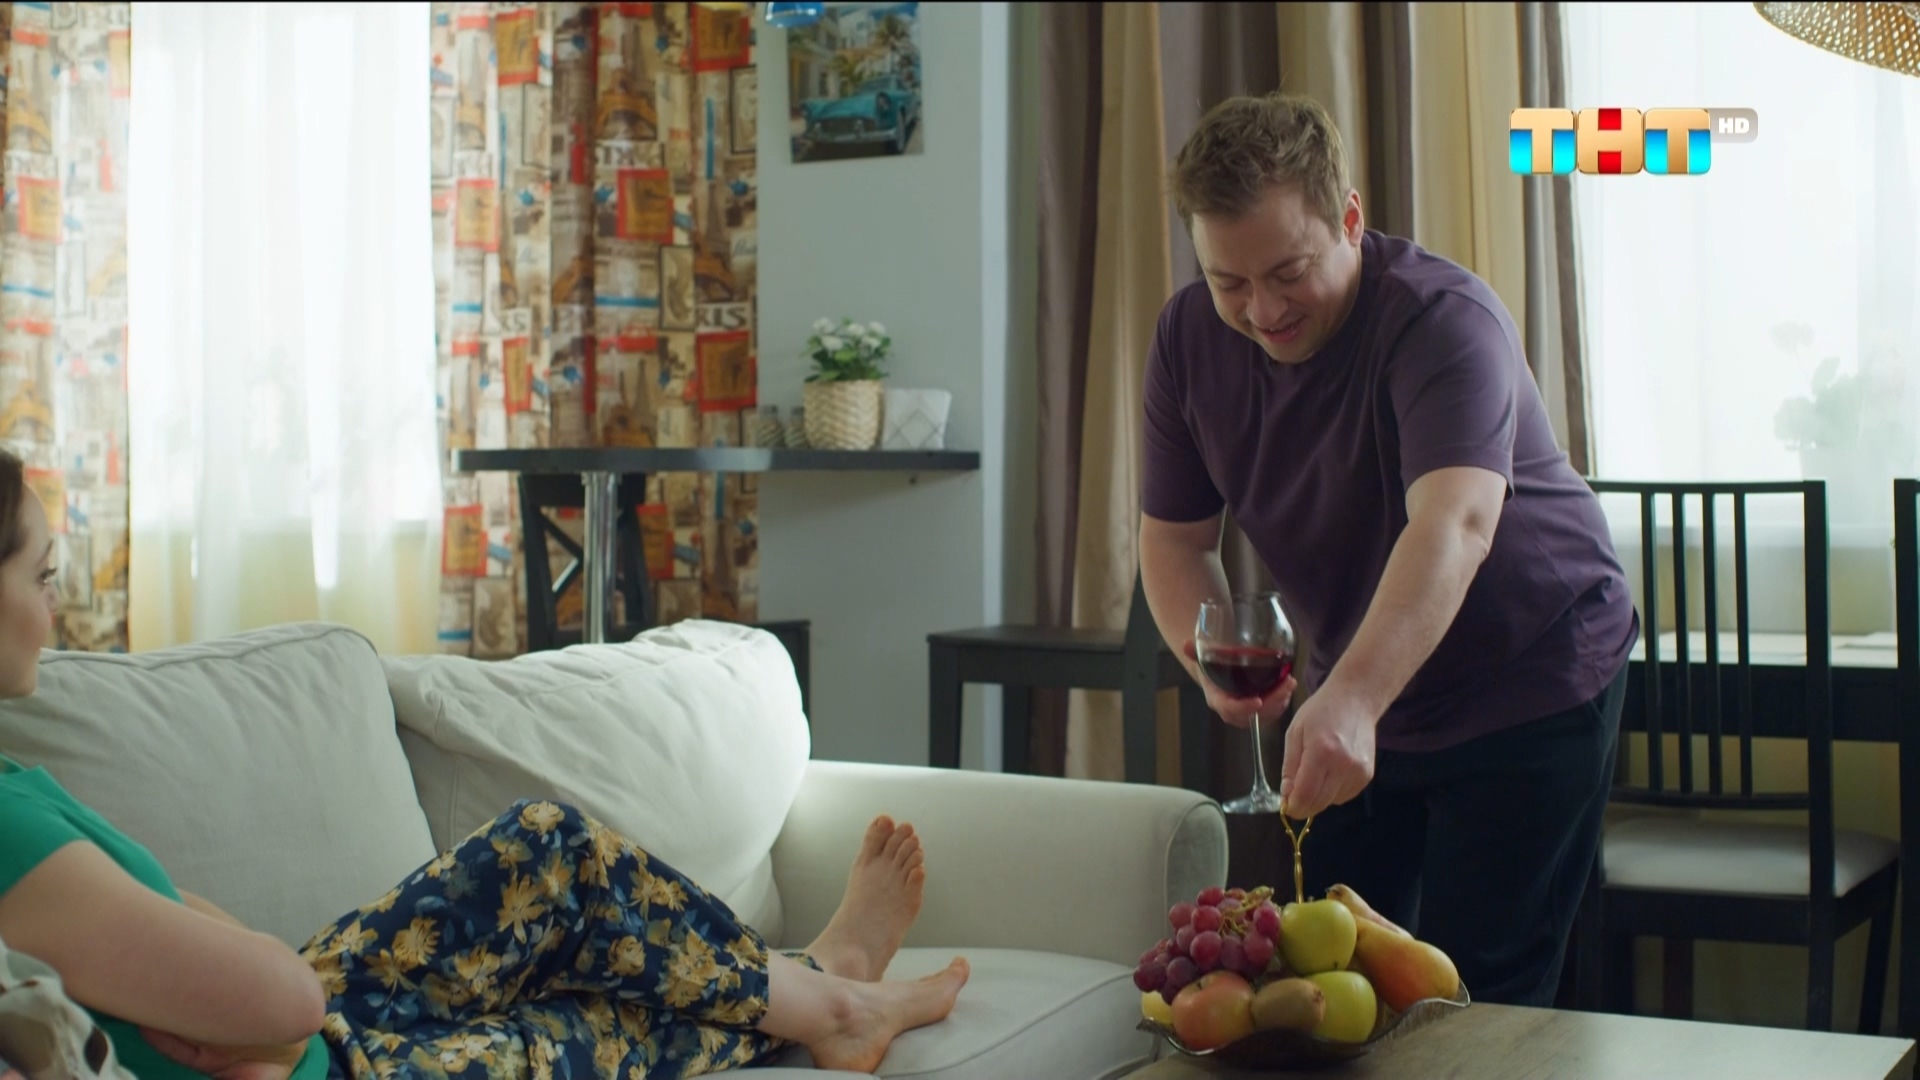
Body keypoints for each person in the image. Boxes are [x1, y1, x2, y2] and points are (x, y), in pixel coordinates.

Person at [0, 446, 969, 1080]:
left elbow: (226, 954)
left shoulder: (13, 787)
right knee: (572, 1024)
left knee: (546, 849)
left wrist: (238, 991)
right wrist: (246, 992)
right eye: (41, 576)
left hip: (307, 1022)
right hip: (327, 1062)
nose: (55, 609)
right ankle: (829, 988)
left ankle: (828, 988)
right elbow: (277, 999)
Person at [1138, 92, 1639, 1007]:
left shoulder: (1443, 319)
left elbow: (1454, 524)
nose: (1261, 309)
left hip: (1530, 672)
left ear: (1350, 219)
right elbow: (1174, 538)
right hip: (1362, 686)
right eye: (1228, 281)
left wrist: (1355, 697)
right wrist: (1206, 660)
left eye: (1288, 271)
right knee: (1327, 980)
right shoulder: (1186, 341)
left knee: (1474, 1001)